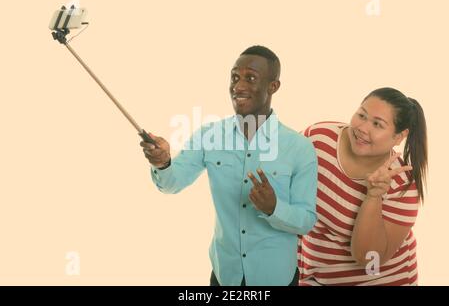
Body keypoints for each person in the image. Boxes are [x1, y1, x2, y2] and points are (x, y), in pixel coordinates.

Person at [140, 46, 318, 286]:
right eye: (235, 77)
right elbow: (173, 183)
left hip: (276, 277)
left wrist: (274, 208)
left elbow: (306, 220)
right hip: (225, 275)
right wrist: (163, 163)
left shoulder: (299, 148)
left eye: (250, 78)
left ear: (273, 86)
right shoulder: (208, 136)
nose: (239, 86)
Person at [298, 87, 427, 285]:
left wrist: (373, 196)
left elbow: (368, 258)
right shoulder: (318, 139)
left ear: (399, 137)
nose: (362, 128)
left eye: (377, 124)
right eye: (361, 115)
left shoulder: (402, 186)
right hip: (314, 275)